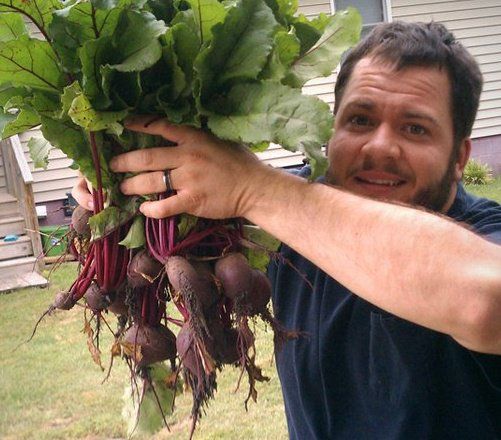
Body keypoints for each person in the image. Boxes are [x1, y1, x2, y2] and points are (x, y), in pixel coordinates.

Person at [73, 21, 501, 439]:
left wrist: (254, 188)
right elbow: (204, 205)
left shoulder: (484, 238)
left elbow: (486, 300)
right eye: (360, 120)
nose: (381, 146)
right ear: (332, 134)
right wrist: (120, 184)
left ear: (460, 156)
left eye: (415, 128)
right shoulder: (292, 212)